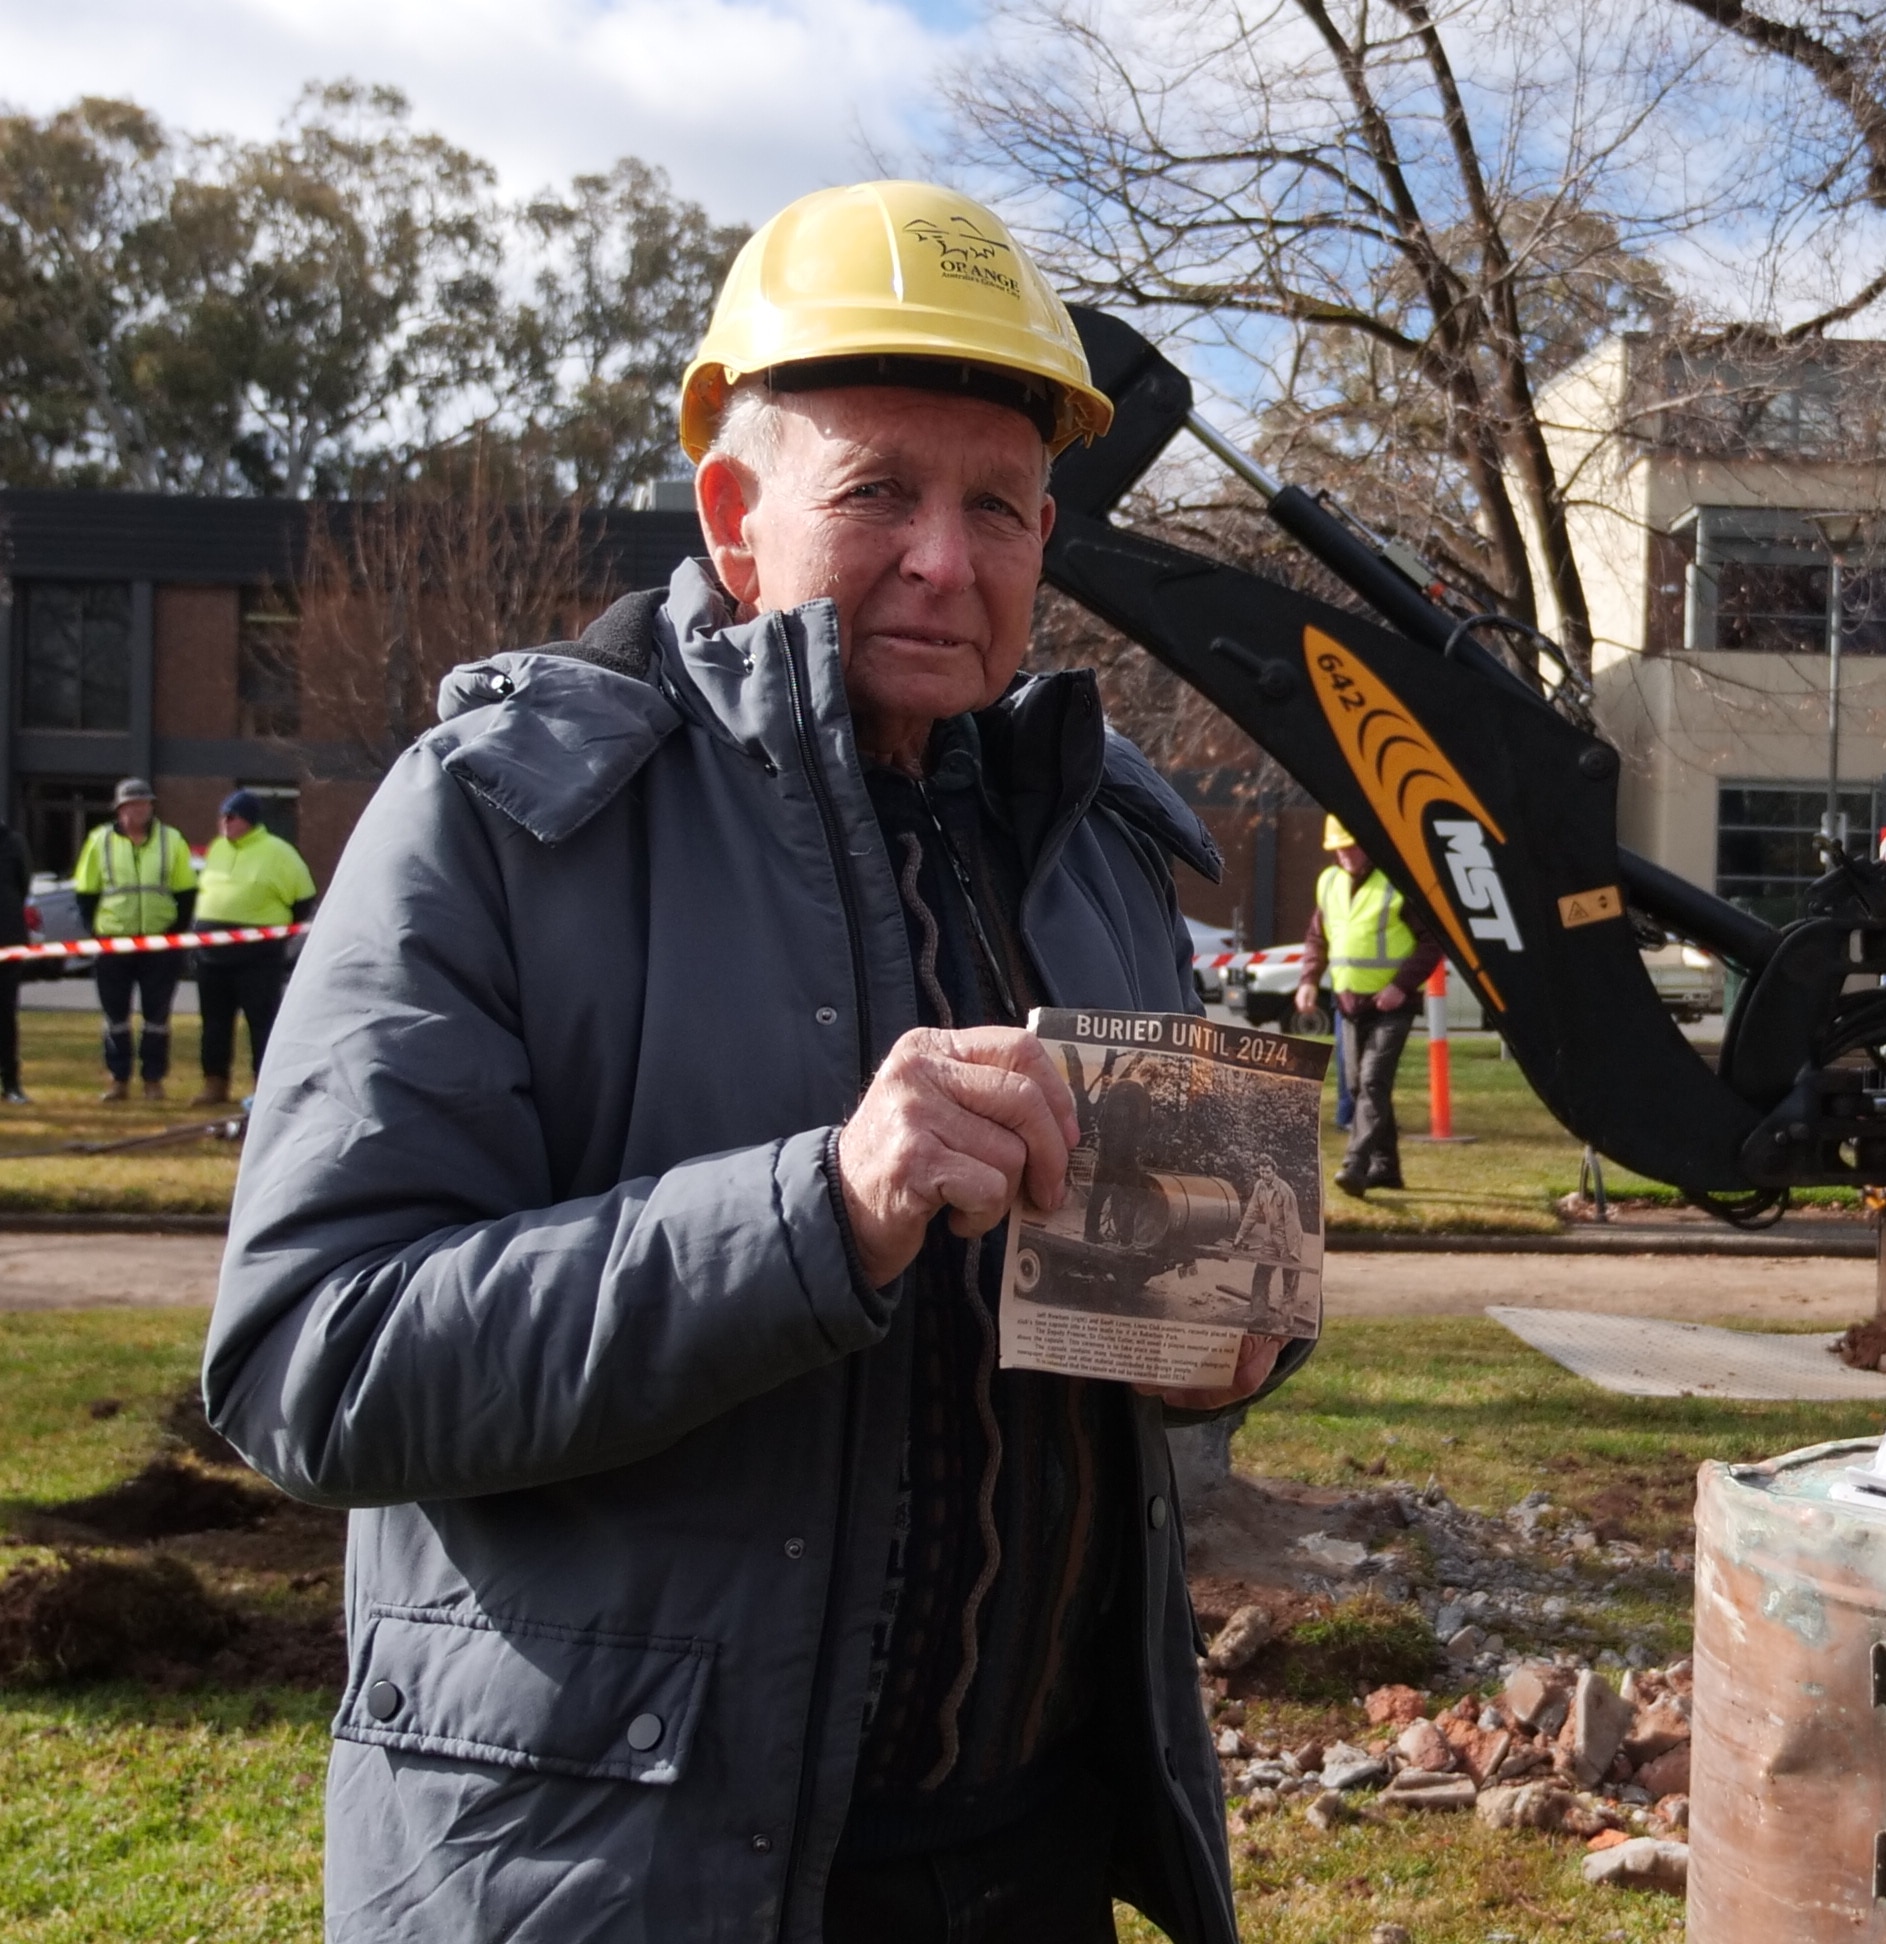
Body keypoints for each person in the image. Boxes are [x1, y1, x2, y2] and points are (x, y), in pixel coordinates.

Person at [202, 180, 1300, 1944]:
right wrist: (816, 1213)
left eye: (1001, 507)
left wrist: (1220, 1344)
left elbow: (1189, 1333)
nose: (946, 556)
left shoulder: (1099, 848)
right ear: (736, 513)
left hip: (1024, 1872)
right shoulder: (501, 818)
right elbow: (312, 1363)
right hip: (619, 1878)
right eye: (879, 491)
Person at [1295, 816, 1440, 1195]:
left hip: (1394, 1004)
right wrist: (1309, 980)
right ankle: (1386, 1169)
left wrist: (1400, 985)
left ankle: (1354, 1166)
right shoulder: (1329, 883)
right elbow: (1317, 937)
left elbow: (1432, 943)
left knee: (1372, 1082)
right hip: (1348, 1004)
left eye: (1351, 846)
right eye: (1338, 848)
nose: (1344, 854)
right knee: (1361, 1085)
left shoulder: (1397, 883)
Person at [189, 790, 319, 1104]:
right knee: (214, 1023)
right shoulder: (217, 849)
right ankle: (214, 1083)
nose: (225, 823)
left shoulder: (279, 852)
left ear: (248, 820)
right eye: (222, 816)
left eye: (231, 817)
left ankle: (264, 1086)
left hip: (257, 956)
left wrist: (273, 934)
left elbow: (303, 898)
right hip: (211, 956)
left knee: (261, 1023)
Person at [72, 777, 196, 1102]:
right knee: (115, 1016)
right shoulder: (99, 841)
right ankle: (118, 1080)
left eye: (145, 803)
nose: (139, 809)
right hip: (113, 942)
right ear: (120, 808)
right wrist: (97, 933)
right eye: (132, 804)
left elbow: (186, 892)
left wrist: (174, 933)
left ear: (151, 806)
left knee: (157, 1017)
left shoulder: (172, 840)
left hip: (159, 943)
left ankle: (154, 1080)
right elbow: (86, 892)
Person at [1230, 1152, 1303, 1328]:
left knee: (1289, 1280)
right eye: (1261, 1172)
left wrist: (1293, 1251)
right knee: (1261, 1274)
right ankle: (1259, 1315)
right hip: (1270, 1237)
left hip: (1288, 1237)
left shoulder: (1285, 1191)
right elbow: (1252, 1212)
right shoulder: (1259, 1187)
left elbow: (1292, 1221)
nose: (1264, 1176)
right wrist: (1240, 1236)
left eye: (1267, 1172)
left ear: (1274, 1171)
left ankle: (1285, 1321)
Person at [0, 811, 30, 1103]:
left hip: (7, 941)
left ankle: (11, 1083)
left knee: (6, 1016)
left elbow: (23, 887)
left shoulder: (14, 843)